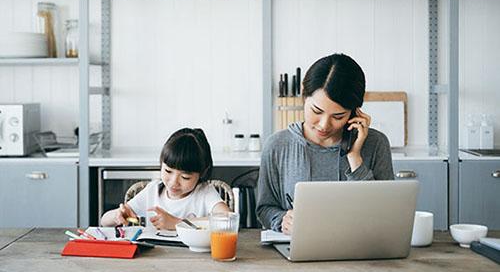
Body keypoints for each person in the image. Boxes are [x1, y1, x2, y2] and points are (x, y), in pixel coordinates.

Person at [256, 53, 394, 234]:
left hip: (362, 252)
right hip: (298, 252)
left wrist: (355, 158)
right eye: (316, 111)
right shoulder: (277, 146)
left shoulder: (376, 144)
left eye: (338, 116)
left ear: (355, 112)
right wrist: (282, 220)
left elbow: (386, 214)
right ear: (304, 98)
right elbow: (265, 208)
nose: (324, 125)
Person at [101, 128, 230, 229]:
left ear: (202, 173)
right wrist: (117, 215)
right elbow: (104, 221)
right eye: (168, 171)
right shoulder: (152, 191)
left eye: (185, 177)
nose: (174, 182)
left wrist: (178, 223)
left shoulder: (205, 193)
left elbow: (228, 219)